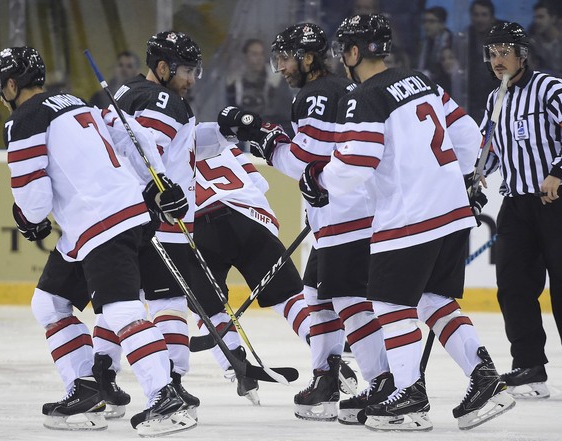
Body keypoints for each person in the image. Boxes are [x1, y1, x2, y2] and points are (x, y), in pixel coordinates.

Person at [308, 14, 515, 431]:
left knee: (389, 304)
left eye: (344, 49)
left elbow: (357, 162)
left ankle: (409, 397)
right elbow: (469, 137)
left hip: (409, 218)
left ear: (353, 51)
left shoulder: (366, 94)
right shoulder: (423, 81)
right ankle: (485, 378)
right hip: (451, 211)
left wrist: (318, 179)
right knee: (433, 300)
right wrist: (462, 180)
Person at [0, 46, 196, 436]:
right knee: (48, 302)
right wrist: (157, 181)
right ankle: (86, 389)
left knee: (120, 311)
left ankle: (165, 397)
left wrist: (27, 219)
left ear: (13, 84)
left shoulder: (23, 121)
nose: (0, 93)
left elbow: (34, 200)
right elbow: (127, 132)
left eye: (1, 85)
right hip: (117, 216)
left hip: (102, 223)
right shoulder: (76, 103)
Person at [235, 22, 392, 423]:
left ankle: (382, 383)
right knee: (316, 298)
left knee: (350, 302)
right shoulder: (336, 89)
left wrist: (270, 145)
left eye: (286, 59)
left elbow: (307, 164)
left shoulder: (316, 95)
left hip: (346, 215)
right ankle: (327, 377)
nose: (281, 68)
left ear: (308, 59)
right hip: (342, 214)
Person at [113, 31, 257, 415]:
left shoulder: (136, 94)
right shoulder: (162, 100)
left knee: (161, 300)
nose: (192, 79)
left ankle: (160, 380)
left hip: (150, 220)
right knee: (129, 302)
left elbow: (181, 145)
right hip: (159, 222)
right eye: (187, 71)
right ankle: (105, 378)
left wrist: (226, 134)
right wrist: (157, 194)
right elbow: (148, 155)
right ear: (162, 68)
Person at [190, 145, 312, 405]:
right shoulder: (221, 141)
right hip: (248, 219)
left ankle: (236, 365)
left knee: (208, 308)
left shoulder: (156, 147)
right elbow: (260, 183)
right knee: (289, 296)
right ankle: (327, 353)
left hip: (197, 229)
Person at [481, 21, 562, 400]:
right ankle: (529, 365)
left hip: (554, 202)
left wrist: (557, 172)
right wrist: (476, 175)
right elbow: (490, 150)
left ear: (522, 54)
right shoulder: (494, 98)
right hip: (515, 204)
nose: (497, 61)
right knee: (512, 284)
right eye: (492, 53)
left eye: (504, 52)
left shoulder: (549, 88)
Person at [226, 39, 292, 138]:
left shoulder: (275, 80)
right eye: (254, 54)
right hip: (243, 131)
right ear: (245, 56)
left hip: (271, 130)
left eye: (261, 54)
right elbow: (231, 112)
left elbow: (283, 113)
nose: (259, 58)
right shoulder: (235, 81)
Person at [467, 0, 504, 124]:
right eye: (476, 15)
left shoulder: (504, 36)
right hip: (474, 100)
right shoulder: (466, 36)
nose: (479, 19)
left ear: (492, 17)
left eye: (484, 15)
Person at [416, 6, 453, 89]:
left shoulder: (451, 42)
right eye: (424, 21)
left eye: (431, 21)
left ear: (442, 24)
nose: (426, 25)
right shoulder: (424, 43)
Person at [529, 1, 562, 78]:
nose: (537, 21)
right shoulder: (533, 43)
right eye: (535, 17)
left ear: (553, 18)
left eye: (541, 17)